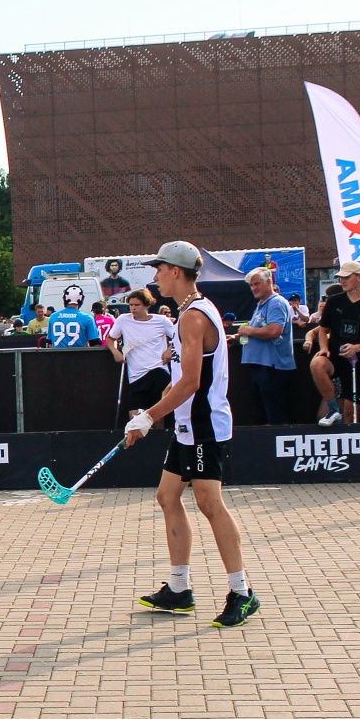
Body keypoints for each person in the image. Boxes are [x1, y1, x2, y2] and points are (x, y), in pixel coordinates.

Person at [124, 241, 257, 628]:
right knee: (167, 497)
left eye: (159, 269)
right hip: (187, 425)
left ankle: (242, 593)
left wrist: (148, 417)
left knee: (209, 504)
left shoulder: (194, 317)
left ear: (176, 272)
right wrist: (155, 408)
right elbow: (181, 377)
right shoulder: (189, 311)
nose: (156, 277)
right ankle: (179, 588)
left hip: (204, 425)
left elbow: (193, 382)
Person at [311, 261, 360, 425]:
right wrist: (324, 348)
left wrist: (357, 348)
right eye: (341, 278)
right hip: (335, 359)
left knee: (350, 414)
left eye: (347, 277)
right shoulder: (333, 301)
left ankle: (349, 434)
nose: (342, 281)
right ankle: (333, 409)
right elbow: (323, 329)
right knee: (317, 363)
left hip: (358, 363)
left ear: (359, 278)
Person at [233, 267, 295, 424]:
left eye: (257, 284)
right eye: (251, 285)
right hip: (261, 367)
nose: (253, 288)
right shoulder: (262, 304)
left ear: (268, 282)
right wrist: (236, 336)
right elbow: (258, 329)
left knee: (275, 418)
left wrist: (248, 330)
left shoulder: (276, 303)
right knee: (264, 417)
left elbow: (274, 331)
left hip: (272, 367)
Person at [109, 289, 178, 425]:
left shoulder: (162, 321)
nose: (133, 308)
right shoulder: (123, 320)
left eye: (137, 305)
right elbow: (110, 338)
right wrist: (115, 351)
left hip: (158, 371)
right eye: (131, 305)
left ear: (147, 305)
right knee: (135, 418)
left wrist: (169, 350)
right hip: (136, 376)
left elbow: (179, 337)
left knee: (157, 418)